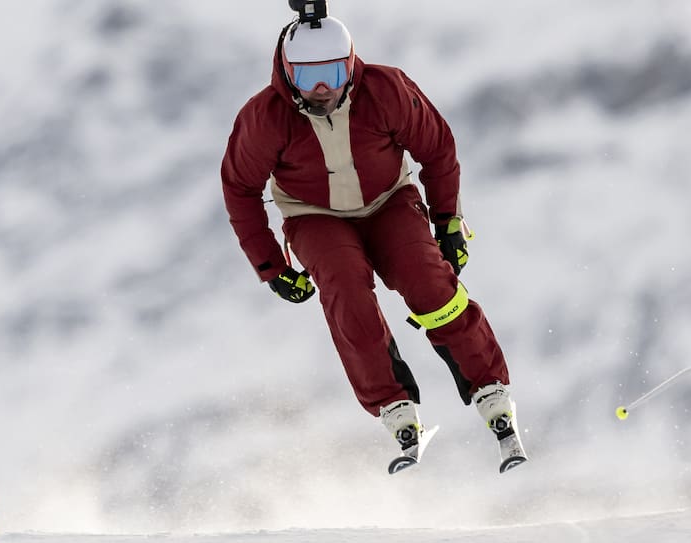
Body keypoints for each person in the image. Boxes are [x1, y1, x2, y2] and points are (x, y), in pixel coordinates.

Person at [220, 10, 526, 472]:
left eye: (334, 73)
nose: (323, 88)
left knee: (430, 284)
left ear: (350, 64)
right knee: (346, 292)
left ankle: (490, 389)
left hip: (389, 202)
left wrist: (447, 222)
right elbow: (240, 188)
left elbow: (437, 149)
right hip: (314, 216)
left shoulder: (385, 92)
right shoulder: (266, 118)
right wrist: (271, 267)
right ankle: (394, 407)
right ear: (288, 72)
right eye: (309, 77)